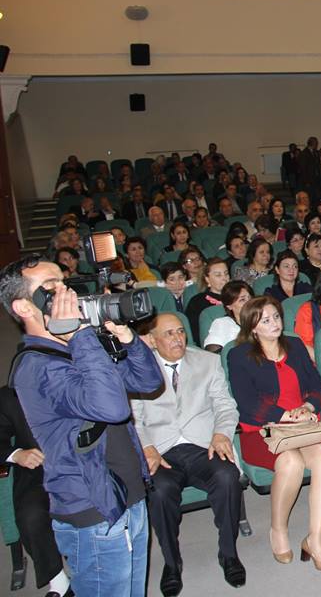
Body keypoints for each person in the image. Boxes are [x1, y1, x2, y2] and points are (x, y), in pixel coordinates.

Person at [0, 255, 164, 596]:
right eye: (51, 288)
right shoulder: (36, 366)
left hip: (129, 493)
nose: (66, 293)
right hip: (93, 510)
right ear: (24, 307)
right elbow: (113, 408)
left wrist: (127, 338)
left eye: (64, 283)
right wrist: (81, 335)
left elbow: (148, 382)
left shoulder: (79, 347)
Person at [133, 314, 245, 595]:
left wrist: (221, 433)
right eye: (169, 334)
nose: (178, 338)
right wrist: (147, 447)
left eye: (181, 331)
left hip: (202, 445)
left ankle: (228, 553)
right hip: (161, 450)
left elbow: (225, 405)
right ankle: (172, 563)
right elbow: (133, 419)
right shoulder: (137, 369)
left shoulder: (206, 361)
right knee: (159, 491)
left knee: (227, 476)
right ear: (152, 341)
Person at [228, 297, 321, 571]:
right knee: (291, 462)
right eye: (265, 320)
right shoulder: (239, 355)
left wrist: (308, 406)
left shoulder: (295, 346)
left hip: (300, 426)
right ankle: (278, 529)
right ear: (252, 326)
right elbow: (246, 402)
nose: (274, 323)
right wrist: (284, 414)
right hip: (261, 429)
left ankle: (315, 539)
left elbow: (317, 385)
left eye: (276, 317)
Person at [0, 387, 71, 597]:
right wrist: (16, 454)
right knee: (30, 515)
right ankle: (58, 580)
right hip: (37, 470)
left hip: (79, 464)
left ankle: (89, 567)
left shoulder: (72, 380)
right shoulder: (9, 397)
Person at [185, 258, 230, 341]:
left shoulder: (238, 297)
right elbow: (194, 333)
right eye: (218, 275)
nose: (224, 278)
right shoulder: (197, 302)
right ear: (207, 279)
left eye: (226, 274)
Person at [204, 281, 253, 352]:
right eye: (242, 300)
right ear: (229, 306)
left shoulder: (262, 319)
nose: (249, 302)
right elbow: (212, 353)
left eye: (250, 298)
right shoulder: (223, 323)